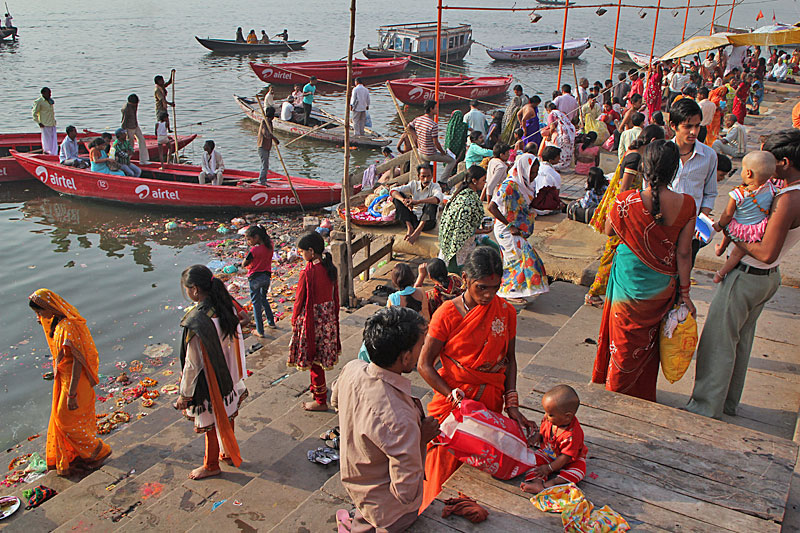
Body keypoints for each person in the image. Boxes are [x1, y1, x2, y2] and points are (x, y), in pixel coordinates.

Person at [687, 131, 800, 419]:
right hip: (765, 279)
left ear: (784, 163)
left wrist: (733, 235)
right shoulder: (783, 190)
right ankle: (726, 402)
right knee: (740, 341)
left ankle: (705, 406)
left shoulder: (788, 198)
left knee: (718, 342)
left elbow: (765, 252)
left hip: (749, 274)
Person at [418, 247, 536, 509]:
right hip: (453, 407)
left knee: (479, 475)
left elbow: (510, 359)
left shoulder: (506, 312)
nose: (488, 295)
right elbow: (424, 364)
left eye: (495, 288)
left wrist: (512, 404)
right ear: (466, 280)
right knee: (442, 474)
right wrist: (453, 395)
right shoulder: (447, 314)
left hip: (489, 405)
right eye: (482, 287)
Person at [593, 140, 697, 401]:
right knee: (648, 343)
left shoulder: (624, 201)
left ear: (644, 167)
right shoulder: (686, 204)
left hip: (628, 279)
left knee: (622, 338)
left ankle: (615, 384)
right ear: (675, 170)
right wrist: (685, 293)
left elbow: (609, 231)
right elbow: (684, 253)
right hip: (661, 285)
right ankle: (639, 391)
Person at [333, 307, 436, 533]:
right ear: (405, 357)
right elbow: (406, 492)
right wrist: (421, 439)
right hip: (389, 510)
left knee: (364, 516)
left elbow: (335, 400)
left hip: (356, 480)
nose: (423, 350)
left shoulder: (352, 369)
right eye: (421, 345)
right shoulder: (400, 418)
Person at [28, 289, 113, 476]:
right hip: (65, 380)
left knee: (66, 421)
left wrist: (72, 394)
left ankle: (98, 451)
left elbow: (76, 363)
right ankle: (79, 454)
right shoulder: (59, 323)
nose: (39, 316)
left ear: (49, 307)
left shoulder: (68, 327)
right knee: (68, 419)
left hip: (75, 382)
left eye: (40, 312)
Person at [174, 265, 244, 480]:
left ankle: (211, 464)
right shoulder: (224, 304)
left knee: (210, 425)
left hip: (210, 380)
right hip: (229, 374)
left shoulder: (198, 320)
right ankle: (228, 452)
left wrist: (184, 394)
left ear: (194, 289)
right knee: (227, 415)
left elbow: (192, 364)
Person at [586, 125, 665, 305]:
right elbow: (624, 189)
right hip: (623, 212)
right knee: (611, 252)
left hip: (623, 210)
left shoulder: (632, 153)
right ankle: (594, 293)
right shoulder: (635, 158)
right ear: (653, 142)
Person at [289, 232, 341, 412]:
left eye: (302, 251)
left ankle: (320, 400)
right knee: (319, 359)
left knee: (314, 361)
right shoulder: (329, 268)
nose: (301, 254)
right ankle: (316, 389)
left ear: (311, 251)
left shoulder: (308, 272)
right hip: (327, 319)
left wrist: (294, 319)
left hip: (313, 321)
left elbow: (299, 300)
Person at [488, 154, 549, 303]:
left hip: (517, 229)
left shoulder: (526, 184)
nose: (534, 176)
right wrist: (509, 226)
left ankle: (513, 290)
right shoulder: (509, 186)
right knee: (516, 260)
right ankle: (510, 292)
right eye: (532, 173)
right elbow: (492, 207)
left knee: (518, 259)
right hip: (505, 229)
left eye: (535, 173)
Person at [711, 151, 777, 283]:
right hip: (757, 229)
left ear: (748, 173)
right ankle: (720, 271)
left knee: (731, 238)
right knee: (738, 253)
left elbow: (728, 215)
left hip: (738, 228)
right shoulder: (771, 189)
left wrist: (719, 225)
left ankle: (721, 267)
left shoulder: (738, 194)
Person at [668, 98, 718, 265]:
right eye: (688, 126)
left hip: (691, 230)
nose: (693, 132)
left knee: (683, 273)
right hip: (664, 226)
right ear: (673, 126)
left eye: (697, 126)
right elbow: (649, 188)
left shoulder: (709, 156)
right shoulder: (663, 153)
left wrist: (701, 220)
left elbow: (710, 193)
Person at [519, 385, 588, 494]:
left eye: (550, 414)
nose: (546, 416)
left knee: (579, 471)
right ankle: (538, 482)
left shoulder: (572, 434)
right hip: (548, 454)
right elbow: (542, 432)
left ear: (567, 417)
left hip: (570, 461)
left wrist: (549, 469)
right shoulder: (549, 421)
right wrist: (535, 437)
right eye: (545, 412)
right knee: (532, 461)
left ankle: (550, 484)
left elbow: (565, 457)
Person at [438, 166, 493, 273]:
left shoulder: (460, 194)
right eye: (483, 180)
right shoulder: (469, 200)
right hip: (459, 245)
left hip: (448, 241)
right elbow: (463, 230)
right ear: (474, 181)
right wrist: (483, 231)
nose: (485, 183)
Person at [390, 163, 443, 245]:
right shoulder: (413, 184)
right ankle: (409, 227)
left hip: (427, 223)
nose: (426, 179)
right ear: (419, 176)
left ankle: (417, 232)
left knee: (431, 203)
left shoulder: (435, 186)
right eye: (423, 176)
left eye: (428, 176)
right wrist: (404, 200)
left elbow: (438, 199)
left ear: (432, 176)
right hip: (413, 219)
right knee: (397, 199)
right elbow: (393, 191)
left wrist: (418, 202)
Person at [408, 100, 456, 181]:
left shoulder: (418, 119)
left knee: (426, 170)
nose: (437, 110)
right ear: (431, 109)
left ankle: (424, 182)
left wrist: (417, 138)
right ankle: (443, 181)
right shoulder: (433, 125)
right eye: (436, 108)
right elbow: (435, 142)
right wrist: (442, 152)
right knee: (452, 161)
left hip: (421, 152)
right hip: (430, 153)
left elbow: (409, 127)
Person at [242, 225, 277, 336]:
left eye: (249, 239)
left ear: (256, 237)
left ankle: (260, 330)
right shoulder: (270, 245)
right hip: (266, 277)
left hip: (255, 278)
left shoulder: (254, 250)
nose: (248, 242)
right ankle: (271, 322)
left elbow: (244, 263)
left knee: (256, 303)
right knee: (263, 298)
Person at [543, 103, 576, 171]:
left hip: (562, 135)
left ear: (548, 109)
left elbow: (552, 128)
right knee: (566, 151)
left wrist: (549, 136)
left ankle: (556, 167)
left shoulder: (551, 114)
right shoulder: (562, 113)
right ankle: (563, 164)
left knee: (559, 151)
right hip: (569, 134)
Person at [532, 146, 562, 215]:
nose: (560, 158)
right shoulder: (555, 174)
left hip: (532, 205)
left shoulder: (535, 169)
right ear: (551, 160)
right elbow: (556, 195)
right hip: (545, 208)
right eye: (558, 157)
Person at [121, 94, 150, 165]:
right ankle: (127, 160)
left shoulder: (135, 105)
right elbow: (123, 121)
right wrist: (124, 132)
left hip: (135, 125)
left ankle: (144, 160)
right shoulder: (126, 109)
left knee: (142, 140)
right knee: (130, 145)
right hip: (129, 128)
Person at [257, 106, 280, 186]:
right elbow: (266, 134)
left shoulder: (269, 122)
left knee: (265, 165)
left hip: (267, 147)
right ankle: (261, 182)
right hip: (262, 146)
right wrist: (274, 138)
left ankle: (263, 180)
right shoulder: (264, 122)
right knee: (264, 165)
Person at [32, 87, 57, 155]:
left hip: (52, 123)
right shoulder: (39, 101)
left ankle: (54, 153)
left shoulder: (50, 101)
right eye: (48, 93)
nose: (50, 95)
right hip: (45, 124)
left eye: (50, 93)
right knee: (47, 141)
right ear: (43, 93)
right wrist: (39, 122)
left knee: (53, 140)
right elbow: (34, 113)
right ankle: (47, 152)